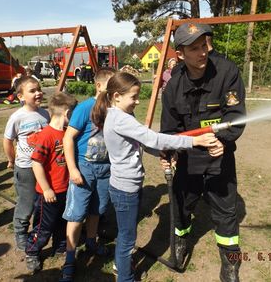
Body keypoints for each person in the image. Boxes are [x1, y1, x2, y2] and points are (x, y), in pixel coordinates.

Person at [91, 72, 218, 282]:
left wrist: (157, 152)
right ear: (116, 96)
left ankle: (121, 266)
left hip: (126, 186)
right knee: (127, 238)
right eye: (133, 96)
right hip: (125, 189)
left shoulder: (119, 116)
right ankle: (125, 277)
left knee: (126, 234)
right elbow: (154, 138)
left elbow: (139, 142)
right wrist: (194, 142)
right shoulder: (120, 118)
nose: (137, 100)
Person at [160, 23, 246, 282]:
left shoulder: (227, 72)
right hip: (188, 158)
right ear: (181, 54)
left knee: (225, 211)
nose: (202, 52)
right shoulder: (173, 86)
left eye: (204, 46)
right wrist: (169, 154)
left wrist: (222, 139)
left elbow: (236, 115)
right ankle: (180, 242)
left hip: (220, 155)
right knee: (182, 204)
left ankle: (230, 262)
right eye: (194, 48)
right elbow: (170, 129)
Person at [59, 68, 116, 282]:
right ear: (99, 86)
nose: (114, 90)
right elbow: (68, 138)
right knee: (76, 213)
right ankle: (70, 258)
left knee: (97, 209)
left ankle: (91, 241)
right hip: (84, 168)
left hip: (106, 169)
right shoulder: (85, 108)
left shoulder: (115, 109)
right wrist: (73, 169)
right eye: (111, 85)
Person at [24, 92, 77, 273]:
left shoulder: (67, 134)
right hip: (48, 193)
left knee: (63, 221)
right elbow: (36, 163)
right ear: (68, 114)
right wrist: (46, 189)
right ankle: (32, 251)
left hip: (65, 190)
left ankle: (61, 246)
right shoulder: (47, 135)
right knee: (44, 226)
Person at [3, 76, 50, 251]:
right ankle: (20, 233)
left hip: (44, 166)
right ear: (21, 96)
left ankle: (40, 230)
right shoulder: (17, 117)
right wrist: (11, 160)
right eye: (32, 91)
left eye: (39, 89)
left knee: (42, 201)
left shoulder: (45, 113)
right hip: (26, 168)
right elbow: (7, 140)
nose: (38, 93)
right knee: (27, 202)